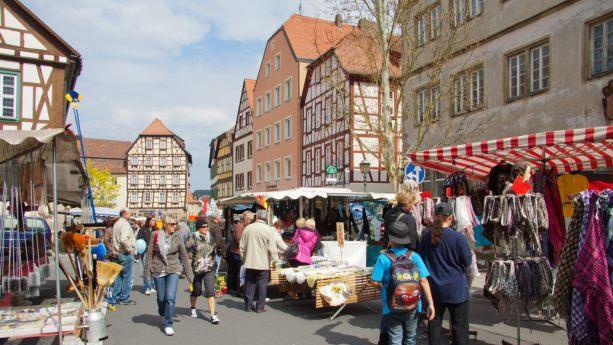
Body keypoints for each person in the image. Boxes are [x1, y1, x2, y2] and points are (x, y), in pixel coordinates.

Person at [371, 208, 435, 345]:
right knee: (410, 338)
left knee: (395, 339)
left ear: (390, 238)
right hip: (413, 305)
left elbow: (375, 281)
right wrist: (430, 303)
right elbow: (423, 280)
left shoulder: (383, 258)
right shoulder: (415, 256)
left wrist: (383, 286)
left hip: (391, 306)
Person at [418, 203, 472, 345]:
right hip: (457, 289)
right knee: (459, 329)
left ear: (436, 217)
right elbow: (467, 261)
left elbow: (420, 260)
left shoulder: (426, 236)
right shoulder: (457, 237)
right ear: (450, 218)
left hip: (434, 288)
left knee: (434, 326)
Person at [144, 215, 194, 336]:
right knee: (161, 298)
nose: (175, 226)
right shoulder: (155, 235)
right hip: (158, 269)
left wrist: (189, 273)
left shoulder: (178, 236)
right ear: (166, 225)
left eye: (175, 224)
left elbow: (184, 255)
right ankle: (163, 313)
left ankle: (168, 323)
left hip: (173, 269)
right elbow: (150, 253)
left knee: (170, 298)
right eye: (172, 224)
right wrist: (147, 270)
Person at [239, 209, 278, 313]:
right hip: (263, 262)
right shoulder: (268, 230)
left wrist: (244, 258)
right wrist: (275, 260)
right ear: (266, 219)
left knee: (249, 284)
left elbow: (242, 246)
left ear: (257, 217)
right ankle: (260, 307)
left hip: (250, 261)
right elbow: (272, 248)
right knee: (262, 285)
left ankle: (248, 305)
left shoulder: (248, 228)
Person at [186, 219, 221, 324]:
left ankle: (213, 315)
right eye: (204, 227)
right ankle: (193, 308)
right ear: (198, 228)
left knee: (210, 291)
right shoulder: (193, 237)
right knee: (197, 291)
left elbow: (216, 248)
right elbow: (186, 249)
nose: (206, 228)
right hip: (197, 269)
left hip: (209, 268)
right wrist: (191, 258)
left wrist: (217, 257)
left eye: (207, 227)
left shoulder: (210, 237)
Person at [112, 208, 137, 305]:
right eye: (130, 213)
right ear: (125, 214)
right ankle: (124, 298)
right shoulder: (125, 224)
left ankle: (116, 296)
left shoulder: (117, 223)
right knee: (127, 277)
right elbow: (123, 239)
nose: (131, 215)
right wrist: (130, 249)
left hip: (117, 253)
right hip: (125, 253)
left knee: (119, 276)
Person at [227, 211, 253, 295]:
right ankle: (237, 290)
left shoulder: (241, 225)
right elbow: (238, 239)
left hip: (237, 251)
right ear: (246, 219)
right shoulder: (240, 226)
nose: (250, 222)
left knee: (236, 271)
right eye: (250, 220)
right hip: (237, 252)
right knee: (238, 272)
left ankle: (235, 289)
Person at [137, 216, 157, 295]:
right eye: (152, 220)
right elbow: (138, 239)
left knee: (152, 269)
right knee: (146, 269)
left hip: (154, 252)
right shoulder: (143, 229)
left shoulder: (156, 229)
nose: (154, 222)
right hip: (145, 252)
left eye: (154, 220)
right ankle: (147, 287)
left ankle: (151, 286)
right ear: (148, 221)